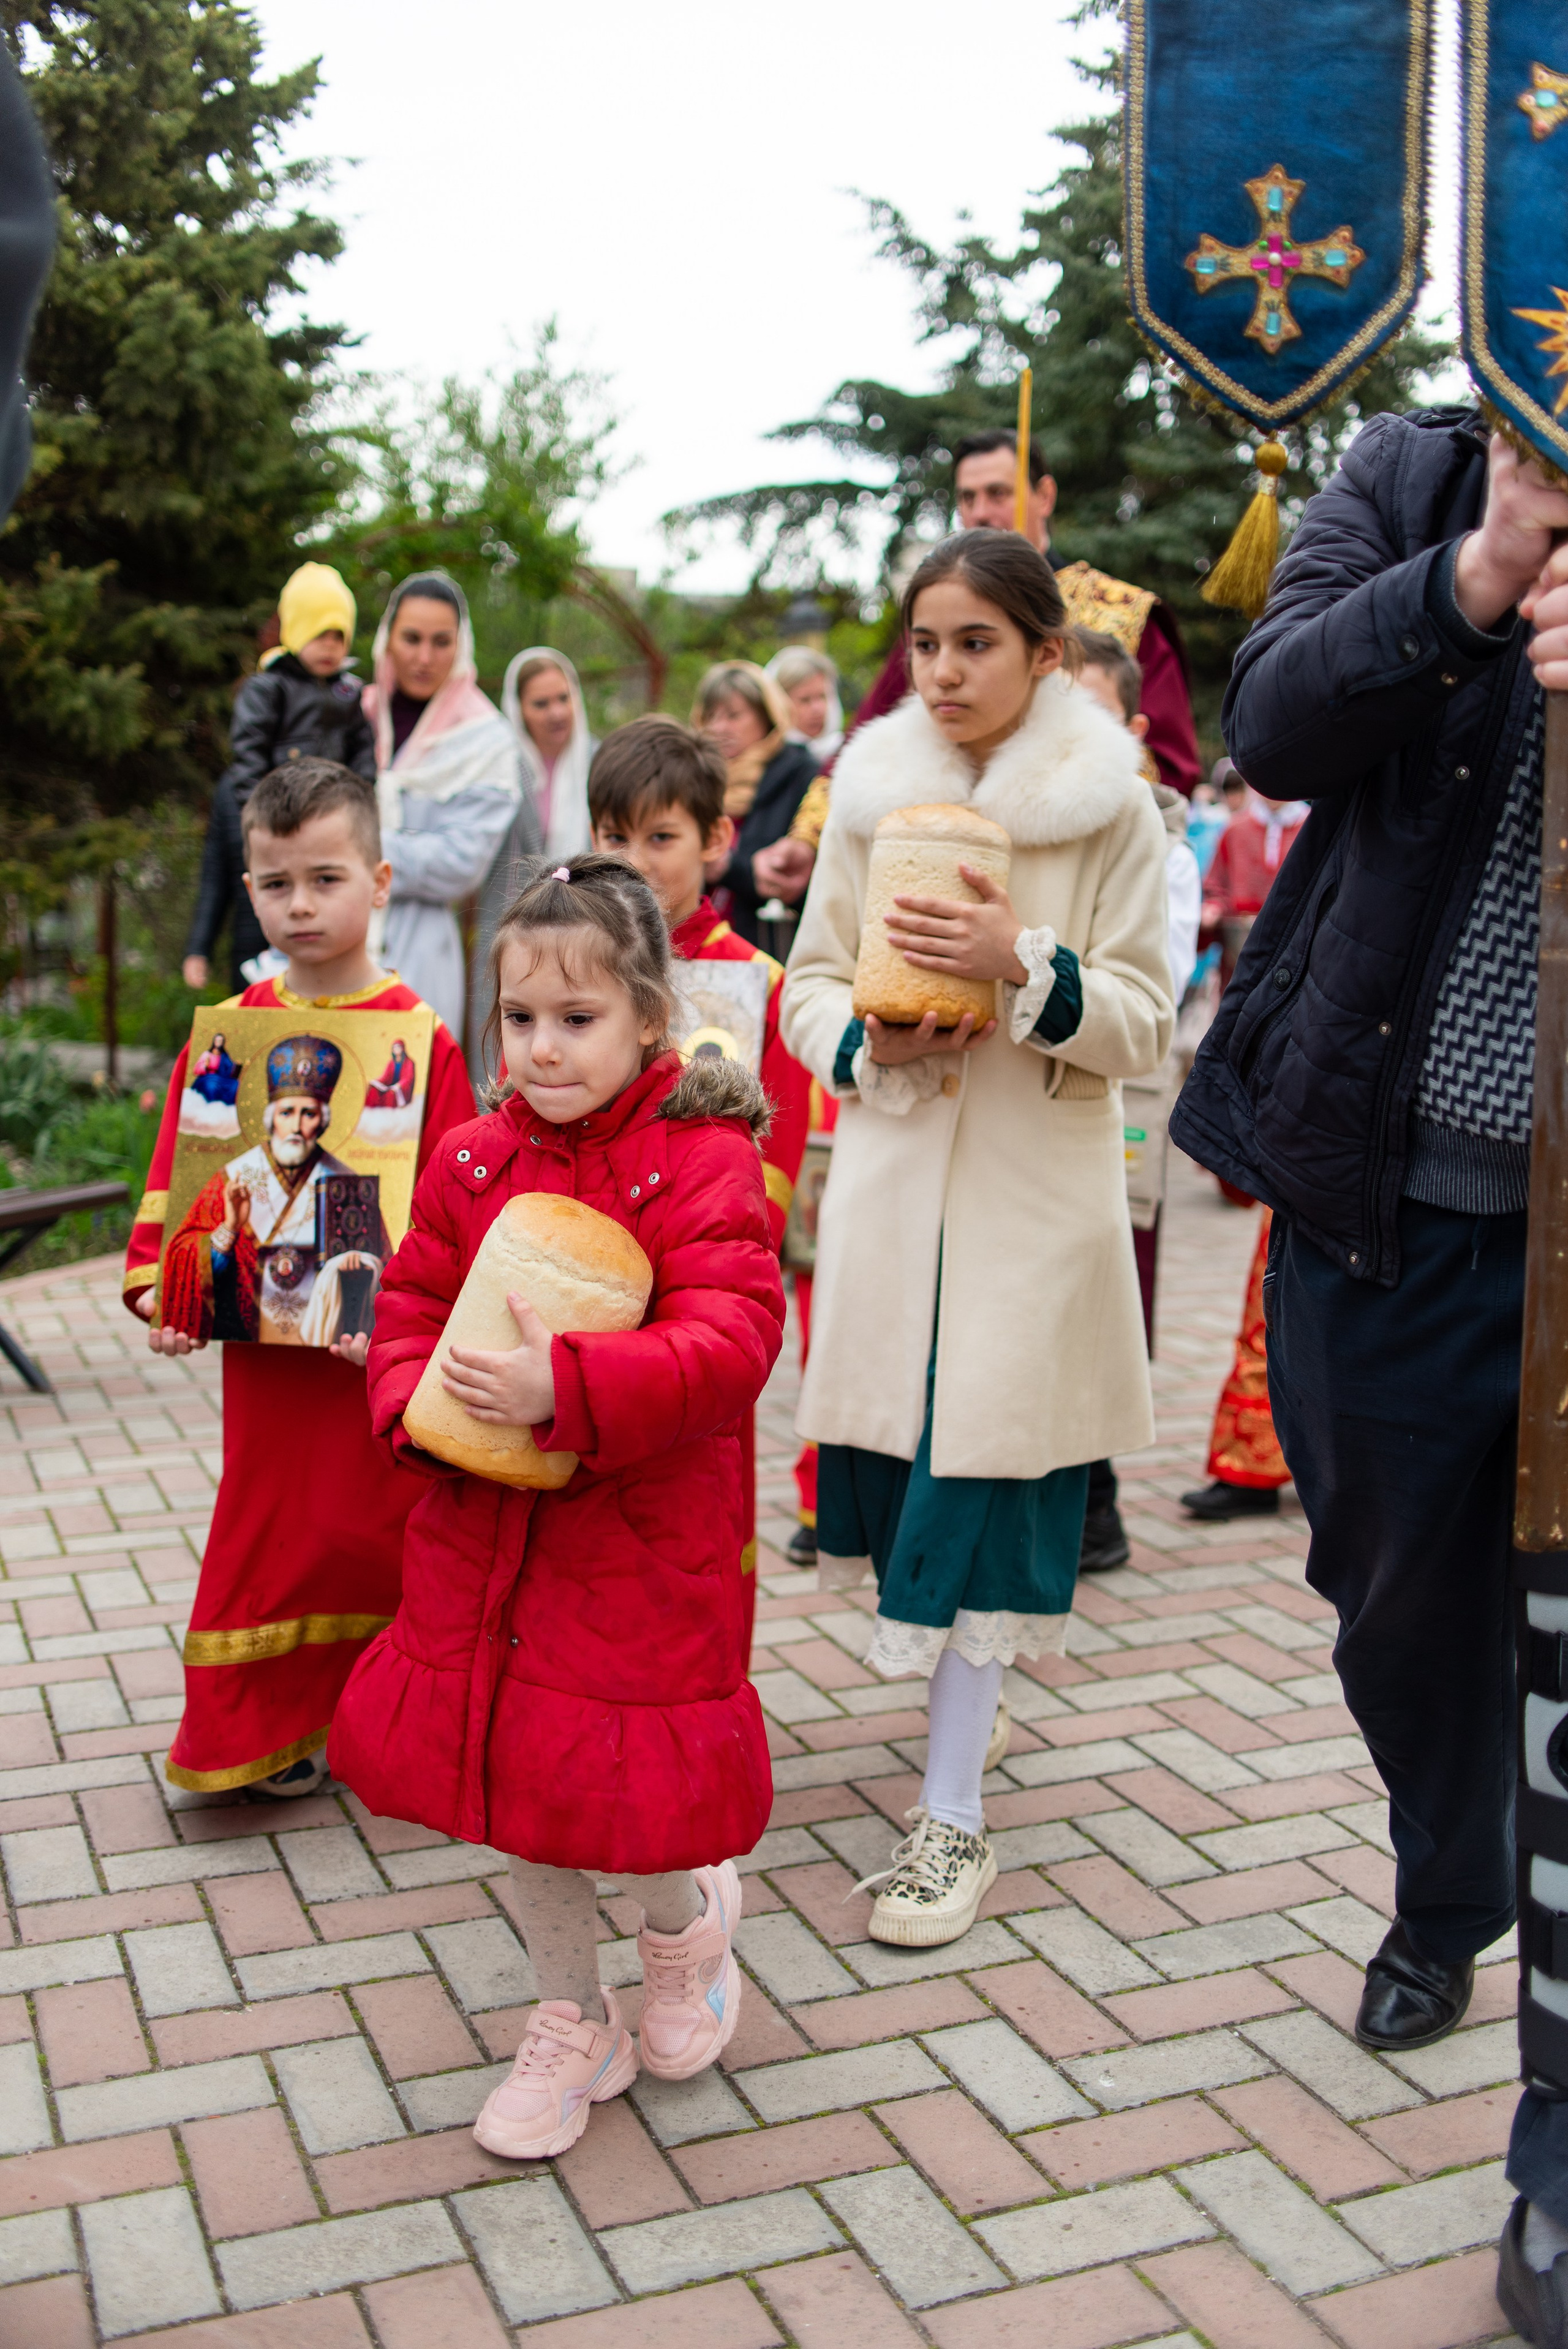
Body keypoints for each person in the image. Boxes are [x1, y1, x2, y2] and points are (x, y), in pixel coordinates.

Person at [1167, 414, 1568, 2347]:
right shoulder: (1412, 476)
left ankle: (1551, 2138)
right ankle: (1451, 1877)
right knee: (1393, 1598)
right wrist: (1475, 583)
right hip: (1393, 1202)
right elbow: (1273, 722)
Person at [329, 856, 785, 2160]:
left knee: (630, 1806)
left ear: (648, 1016)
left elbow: (735, 1335)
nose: (540, 1047)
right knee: (513, 1793)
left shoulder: (699, 1160)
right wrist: (417, 1404)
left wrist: (565, 1384)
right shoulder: (470, 1159)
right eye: (518, 1019)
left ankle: (683, 1924)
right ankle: (565, 2012)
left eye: (575, 1020)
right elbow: (407, 1304)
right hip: (481, 1545)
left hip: (636, 1552)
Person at [781, 529, 1174, 1947]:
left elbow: (1144, 1015)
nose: (943, 670)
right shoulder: (871, 795)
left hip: (1025, 1218)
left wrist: (1025, 965)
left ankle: (949, 1821)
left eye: (976, 643)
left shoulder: (1113, 811)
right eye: (925, 642)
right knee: (910, 1485)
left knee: (988, 1494)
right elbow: (805, 981)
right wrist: (858, 1036)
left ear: (1043, 655)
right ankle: (965, 1725)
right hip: (896, 1202)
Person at [123, 760, 473, 1797]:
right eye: (277, 885)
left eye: (326, 878)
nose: (302, 905)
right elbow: (184, 1203)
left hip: (377, 1363)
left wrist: (408, 1315)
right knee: (273, 1530)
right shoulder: (231, 1037)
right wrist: (175, 1295)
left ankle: (388, 1724)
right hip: (272, 1378)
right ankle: (267, 1729)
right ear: (249, 891)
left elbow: (456, 1212)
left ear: (380, 879)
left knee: (388, 1531)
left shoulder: (421, 1041)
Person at [755, 429, 1202, 918]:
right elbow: (870, 734)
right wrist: (808, 838)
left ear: (1044, 496)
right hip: (941, 865)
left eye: (999, 493)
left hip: (1073, 866)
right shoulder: (941, 616)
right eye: (968, 497)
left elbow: (1168, 765)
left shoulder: (1126, 612)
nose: (982, 511)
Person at [589, 715, 812, 1630]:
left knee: (697, 1497)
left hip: (697, 1293)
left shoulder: (758, 983)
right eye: (613, 837)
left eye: (660, 837)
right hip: (592, 1282)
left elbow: (775, 1159)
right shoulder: (577, 963)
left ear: (719, 839)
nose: (634, 860)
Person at [1071, 628, 1202, 1572]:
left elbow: (1162, 961)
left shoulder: (1164, 838)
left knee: (1110, 1276)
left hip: (1121, 1088)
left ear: (1137, 724)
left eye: (1094, 714)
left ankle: (1098, 1492)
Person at [184, 565, 377, 994]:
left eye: (338, 637)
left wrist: (360, 796)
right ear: (294, 632)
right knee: (258, 930)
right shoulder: (269, 688)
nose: (329, 647)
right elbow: (248, 751)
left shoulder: (349, 694)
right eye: (318, 634)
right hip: (271, 825)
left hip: (330, 827)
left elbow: (364, 749)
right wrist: (263, 815)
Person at [366, 569, 522, 1046]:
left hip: (422, 949)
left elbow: (460, 864)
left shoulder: (485, 740)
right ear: (387, 637)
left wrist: (357, 851)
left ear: (462, 645)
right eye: (411, 638)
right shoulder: (357, 715)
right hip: (336, 938)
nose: (424, 657)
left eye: (441, 641)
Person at [159, 1031, 381, 1349]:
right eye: (286, 1113)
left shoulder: (346, 1182)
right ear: (271, 1119)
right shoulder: (232, 1178)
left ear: (323, 1122)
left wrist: (360, 1262)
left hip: (330, 1347)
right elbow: (183, 1252)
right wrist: (229, 1229)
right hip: (249, 1343)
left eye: (309, 1114)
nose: (295, 1126)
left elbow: (382, 1260)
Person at [692, 662, 818, 948]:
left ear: (767, 716)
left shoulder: (799, 772)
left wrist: (730, 868)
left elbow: (805, 879)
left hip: (767, 946)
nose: (719, 727)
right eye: (711, 716)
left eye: (734, 715)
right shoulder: (693, 774)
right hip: (694, 946)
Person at [766, 646, 845, 766]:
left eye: (822, 697)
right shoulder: (766, 762)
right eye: (805, 700)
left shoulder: (846, 753)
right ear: (779, 704)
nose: (817, 709)